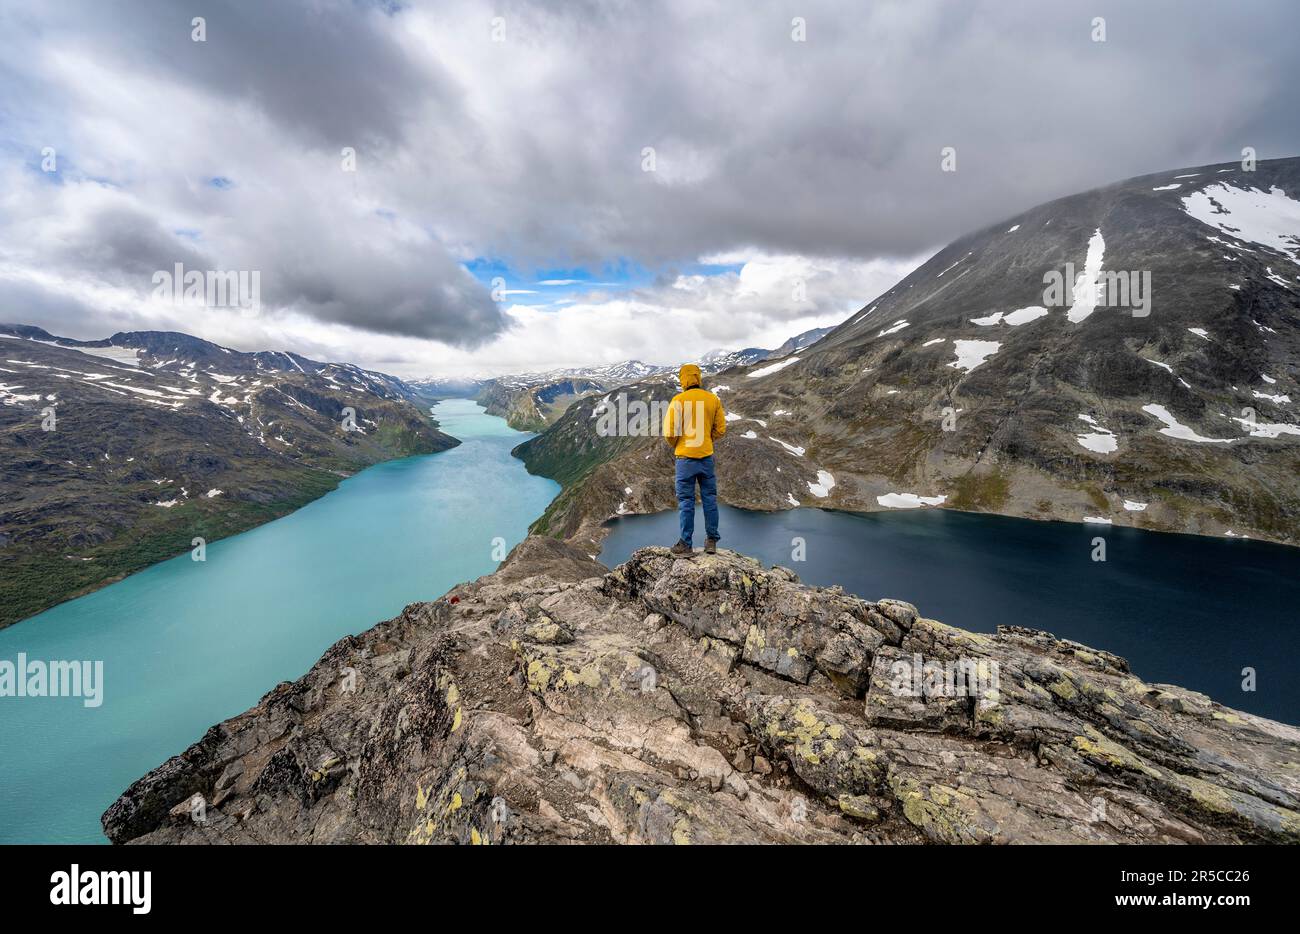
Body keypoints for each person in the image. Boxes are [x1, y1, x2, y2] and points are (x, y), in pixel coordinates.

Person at [661, 363, 726, 557]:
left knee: (686, 501)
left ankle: (686, 545)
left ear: (683, 379)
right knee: (709, 499)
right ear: (698, 377)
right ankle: (711, 541)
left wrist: (679, 445)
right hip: (706, 457)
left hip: (685, 459)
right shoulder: (712, 399)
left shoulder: (678, 400)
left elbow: (670, 433)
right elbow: (720, 429)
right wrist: (706, 439)